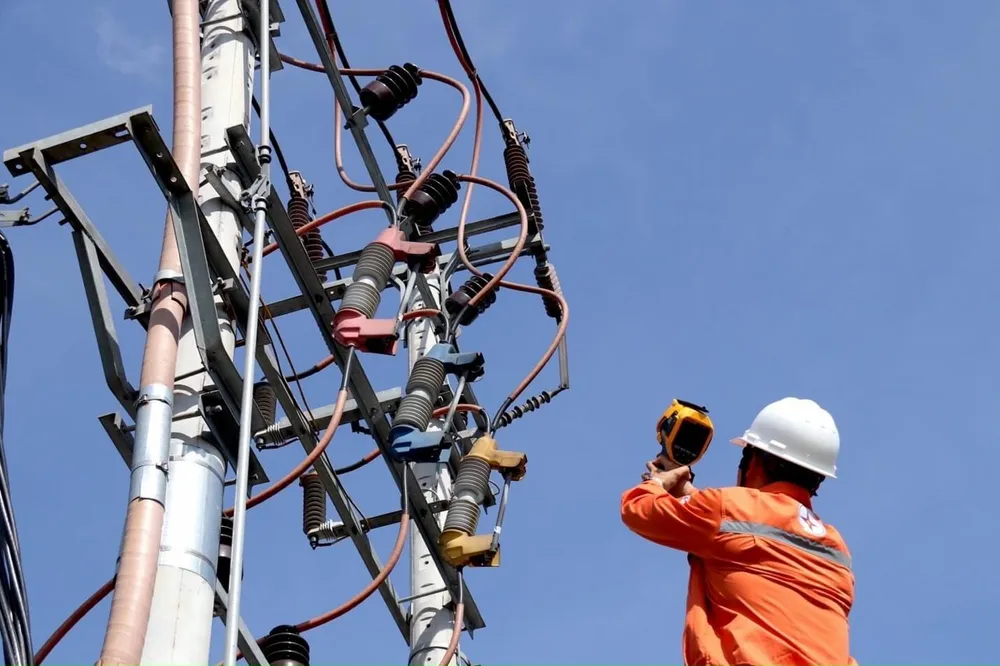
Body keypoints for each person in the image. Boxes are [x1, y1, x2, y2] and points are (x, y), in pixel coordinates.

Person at [620, 397, 857, 666]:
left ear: (754, 461)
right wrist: (688, 494)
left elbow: (638, 509)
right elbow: (746, 535)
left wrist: (656, 483)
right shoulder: (836, 548)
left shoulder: (726, 510)